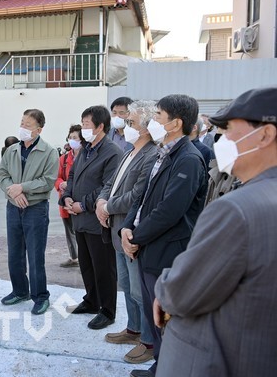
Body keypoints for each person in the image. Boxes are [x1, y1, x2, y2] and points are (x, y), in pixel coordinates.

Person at [153, 87, 277, 377]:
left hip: (217, 361)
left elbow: (182, 292)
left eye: (230, 129)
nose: (224, 139)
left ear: (266, 135)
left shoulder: (238, 209)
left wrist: (165, 288)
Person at [120, 94, 208, 377]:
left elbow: (169, 211)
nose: (153, 121)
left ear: (176, 123)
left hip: (167, 252)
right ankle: (161, 365)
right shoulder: (163, 152)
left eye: (158, 116)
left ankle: (172, 369)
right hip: (149, 247)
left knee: (166, 318)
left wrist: (135, 238)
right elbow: (144, 197)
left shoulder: (189, 159)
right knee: (153, 314)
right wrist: (127, 227)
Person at [95, 101, 158, 363]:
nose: (125, 127)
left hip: (130, 231)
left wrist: (108, 206)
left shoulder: (151, 155)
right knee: (126, 285)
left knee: (138, 290)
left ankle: (149, 340)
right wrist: (101, 202)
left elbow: (137, 195)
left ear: (145, 127)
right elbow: (111, 183)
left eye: (130, 122)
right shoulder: (128, 151)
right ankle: (133, 329)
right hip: (115, 229)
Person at [61, 105, 123, 330]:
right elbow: (72, 175)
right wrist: (67, 197)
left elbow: (109, 187)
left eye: (87, 124)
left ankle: (107, 310)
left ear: (100, 126)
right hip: (79, 219)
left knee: (104, 266)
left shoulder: (112, 152)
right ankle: (91, 300)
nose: (83, 127)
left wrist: (82, 204)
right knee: (87, 265)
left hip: (97, 219)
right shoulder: (86, 149)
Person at [0, 109, 59, 315]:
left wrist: (22, 187)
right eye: (22, 122)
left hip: (35, 208)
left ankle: (40, 296)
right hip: (13, 206)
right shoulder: (12, 150)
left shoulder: (49, 152)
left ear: (39, 129)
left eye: (28, 125)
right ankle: (19, 290)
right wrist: (13, 193)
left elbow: (48, 181)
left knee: (35, 255)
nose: (23, 127)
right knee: (14, 253)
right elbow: (2, 175)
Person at [54, 124, 84, 268]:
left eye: (75, 138)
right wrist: (61, 184)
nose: (72, 140)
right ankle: (74, 257)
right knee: (69, 230)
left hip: (81, 202)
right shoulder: (64, 159)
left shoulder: (87, 157)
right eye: (70, 137)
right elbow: (56, 177)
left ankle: (85, 260)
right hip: (66, 200)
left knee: (82, 232)